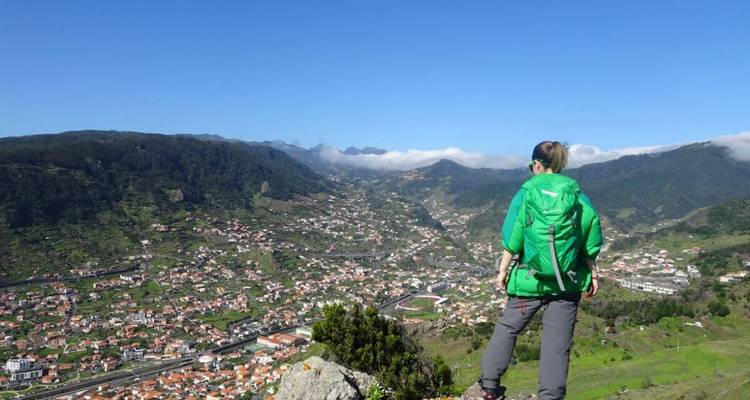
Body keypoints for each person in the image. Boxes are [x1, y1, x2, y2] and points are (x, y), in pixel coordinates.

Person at [479, 141, 603, 400]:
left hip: (529, 279)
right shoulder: (578, 197)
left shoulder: (525, 194)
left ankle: (489, 385)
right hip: (566, 283)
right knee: (557, 344)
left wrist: (502, 272)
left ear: (536, 165)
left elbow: (512, 238)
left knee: (508, 327)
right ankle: (550, 396)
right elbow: (589, 243)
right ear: (560, 165)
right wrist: (592, 272)